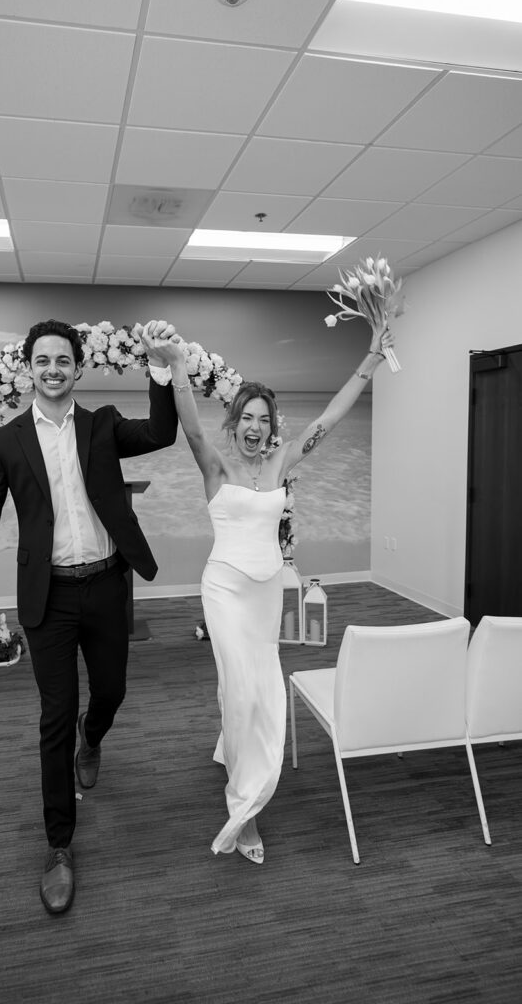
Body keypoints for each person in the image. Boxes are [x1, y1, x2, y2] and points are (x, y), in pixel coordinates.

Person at [141, 325, 394, 864]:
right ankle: (245, 811)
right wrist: (179, 369)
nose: (256, 428)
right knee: (248, 691)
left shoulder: (280, 463)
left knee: (250, 682)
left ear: (272, 427)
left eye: (265, 420)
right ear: (234, 425)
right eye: (247, 419)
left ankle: (228, 746)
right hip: (224, 590)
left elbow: (327, 419)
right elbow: (188, 424)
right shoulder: (216, 465)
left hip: (264, 593)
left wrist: (370, 361)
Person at [0, 318, 178, 914]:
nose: (53, 369)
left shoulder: (102, 425)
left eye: (64, 360)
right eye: (43, 360)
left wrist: (159, 369)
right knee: (52, 717)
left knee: (111, 691)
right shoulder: (5, 441)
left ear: (78, 368)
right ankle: (59, 845)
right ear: (29, 369)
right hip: (48, 599)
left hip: (107, 587)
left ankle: (95, 736)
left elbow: (162, 432)